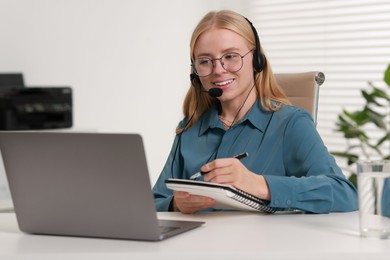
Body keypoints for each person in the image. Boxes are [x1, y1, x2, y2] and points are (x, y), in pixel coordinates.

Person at [153, 10, 358, 214]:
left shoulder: (291, 124)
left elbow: (345, 194)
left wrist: (259, 184)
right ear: (195, 71)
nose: (218, 70)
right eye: (205, 61)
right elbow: (153, 202)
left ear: (257, 60)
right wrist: (176, 204)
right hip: (193, 245)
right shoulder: (190, 128)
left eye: (231, 56)